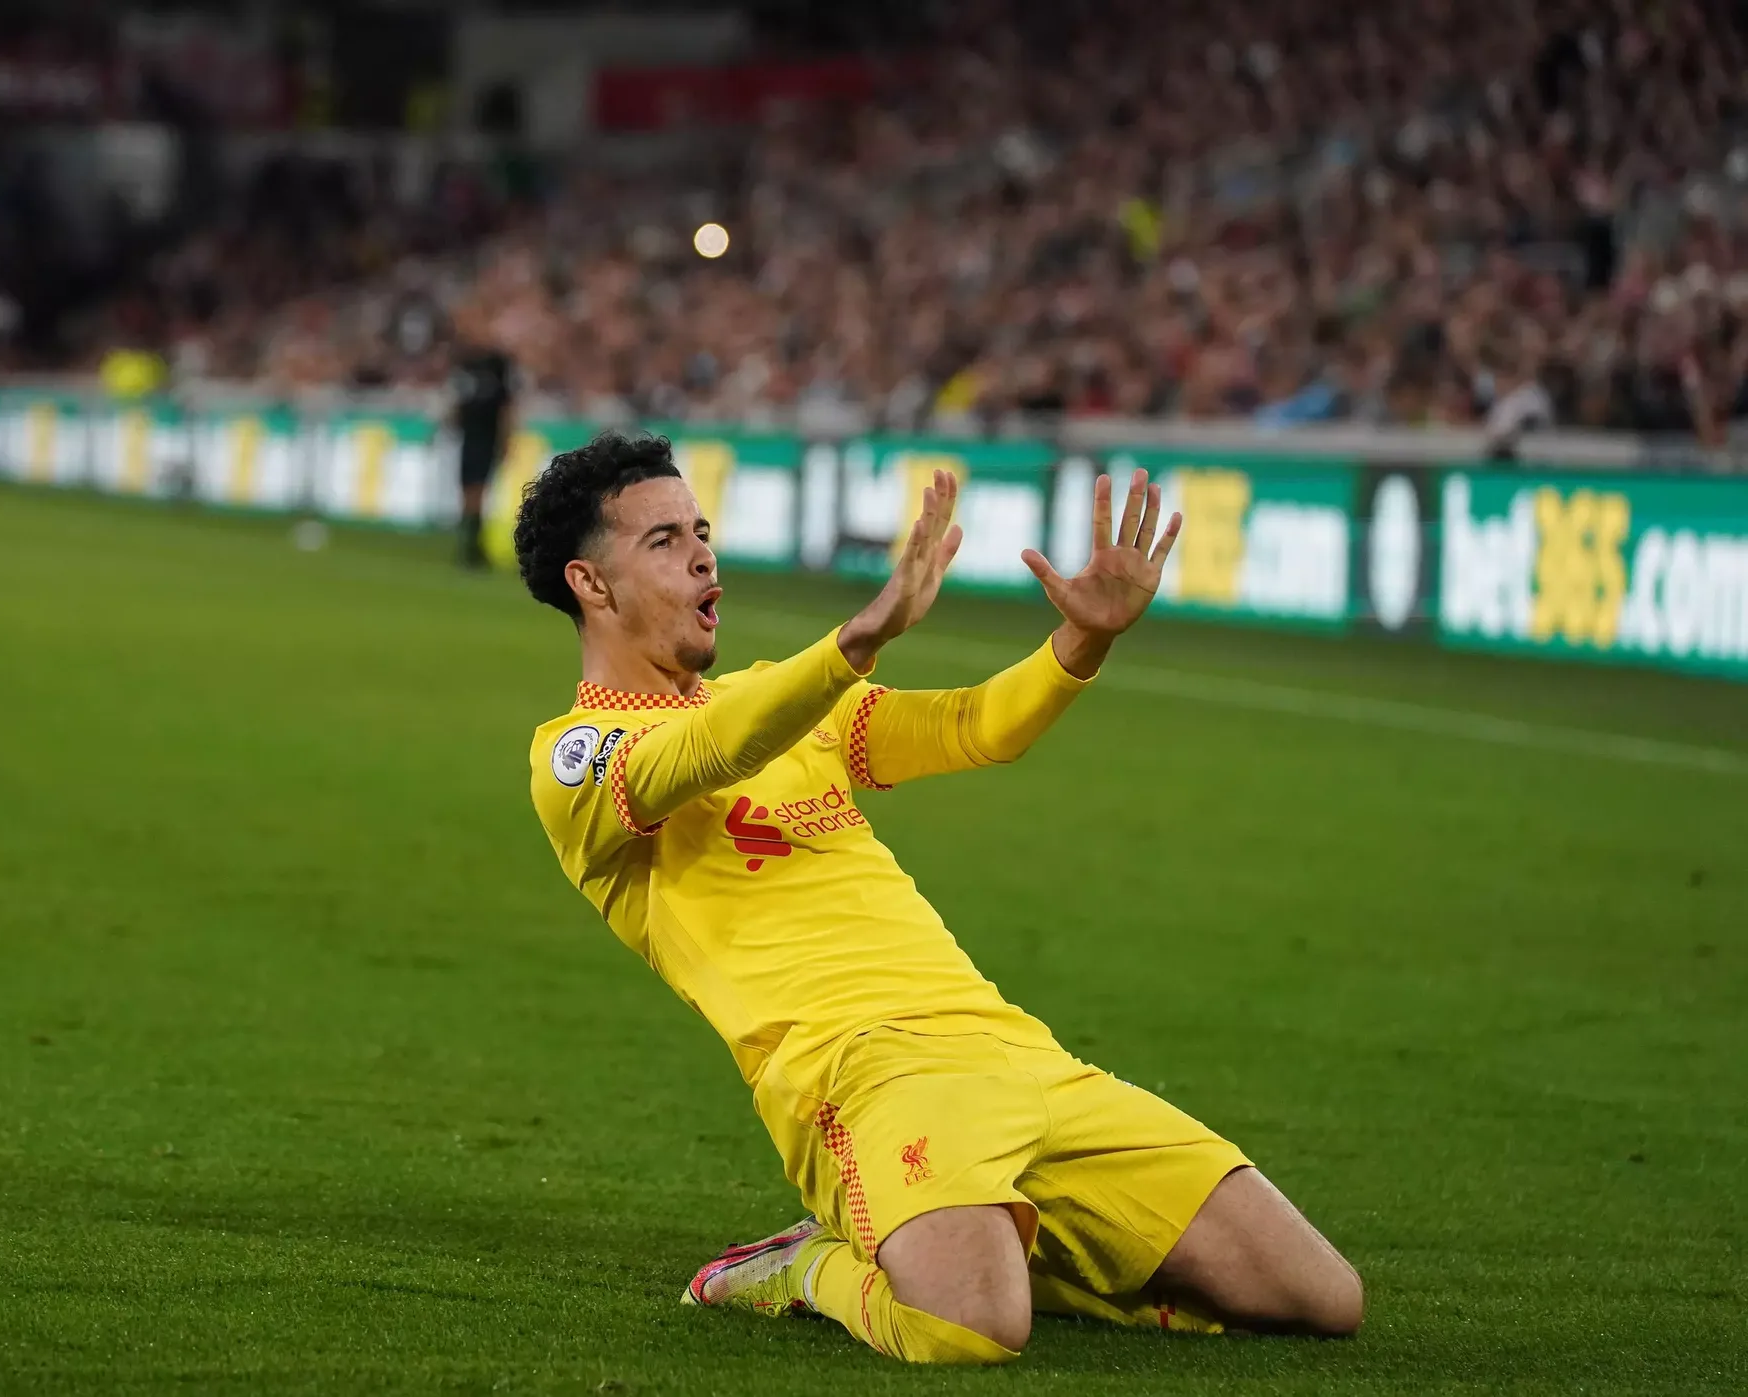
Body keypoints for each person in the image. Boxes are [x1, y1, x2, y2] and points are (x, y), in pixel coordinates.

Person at [516, 432, 1363, 1366]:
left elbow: (977, 726)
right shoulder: (577, 758)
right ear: (591, 584)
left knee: (1321, 1297)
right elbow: (712, 749)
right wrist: (858, 639)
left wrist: (1083, 641)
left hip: (1013, 1049)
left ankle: (1009, 1249)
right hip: (864, 1075)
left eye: (703, 531)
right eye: (665, 540)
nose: (704, 556)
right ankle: (801, 1267)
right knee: (969, 1329)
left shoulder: (790, 703)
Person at [448, 316, 515, 568]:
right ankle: (470, 543)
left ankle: (473, 543)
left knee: (479, 487)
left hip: (488, 433)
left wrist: (506, 437)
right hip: (469, 433)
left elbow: (507, 405)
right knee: (468, 487)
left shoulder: (498, 364)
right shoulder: (465, 363)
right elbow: (457, 398)